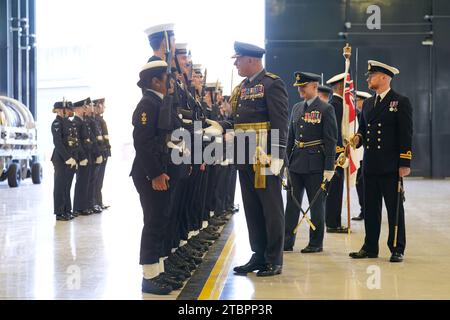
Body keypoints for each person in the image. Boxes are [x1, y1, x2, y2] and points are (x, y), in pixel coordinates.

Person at [205, 41, 289, 276]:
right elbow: (239, 122)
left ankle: (274, 259)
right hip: (244, 154)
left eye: (239, 59)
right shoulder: (241, 88)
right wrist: (220, 125)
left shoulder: (272, 84)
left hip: (264, 157)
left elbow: (280, 122)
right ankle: (259, 255)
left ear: (252, 60)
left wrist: (277, 155)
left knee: (271, 209)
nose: (236, 63)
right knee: (252, 208)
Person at [349, 60, 413, 263]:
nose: (368, 79)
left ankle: (397, 247)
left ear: (384, 77)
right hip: (370, 165)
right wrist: (358, 138)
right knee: (370, 209)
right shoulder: (367, 103)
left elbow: (406, 134)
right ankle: (370, 247)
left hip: (391, 165)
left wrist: (405, 162)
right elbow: (364, 129)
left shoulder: (400, 101)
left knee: (394, 209)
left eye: (372, 75)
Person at [284, 72, 338, 253]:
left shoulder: (325, 109)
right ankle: (286, 241)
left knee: (316, 205)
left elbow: (331, 140)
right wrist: (286, 163)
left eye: (303, 86)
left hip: (315, 164)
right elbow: (290, 138)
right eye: (298, 86)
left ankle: (315, 243)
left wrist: (329, 167)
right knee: (291, 204)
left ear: (314, 86)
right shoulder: (297, 108)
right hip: (296, 163)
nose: (300, 89)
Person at [324, 73, 348, 233]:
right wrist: (340, 152)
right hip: (336, 156)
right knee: (334, 190)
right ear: (340, 86)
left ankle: (333, 221)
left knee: (334, 190)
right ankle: (333, 223)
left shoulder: (334, 103)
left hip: (335, 154)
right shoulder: (337, 105)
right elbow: (334, 133)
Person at [51, 101, 76, 221]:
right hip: (61, 159)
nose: (66, 111)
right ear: (59, 110)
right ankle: (59, 212)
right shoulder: (57, 123)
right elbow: (58, 143)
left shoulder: (66, 122)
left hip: (69, 158)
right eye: (65, 109)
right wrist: (67, 158)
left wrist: (73, 157)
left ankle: (67, 210)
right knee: (60, 186)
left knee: (67, 186)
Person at [352, 90, 372, 221]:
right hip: (359, 156)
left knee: (365, 185)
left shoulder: (365, 115)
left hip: (366, 155)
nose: (355, 103)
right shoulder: (357, 115)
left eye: (357, 100)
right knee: (360, 184)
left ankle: (367, 211)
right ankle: (364, 210)